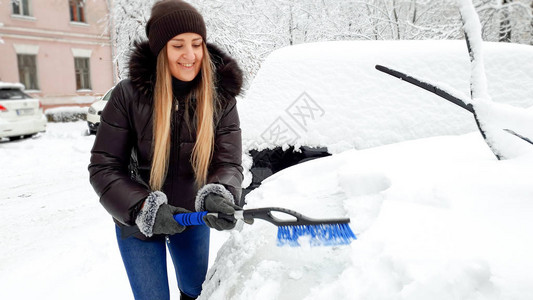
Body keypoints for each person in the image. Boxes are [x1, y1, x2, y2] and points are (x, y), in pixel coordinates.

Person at [88, 1, 244, 299]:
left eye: (197, 44)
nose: (190, 55)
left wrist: (220, 192)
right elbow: (104, 166)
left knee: (195, 290)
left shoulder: (220, 96)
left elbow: (228, 161)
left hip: (192, 215)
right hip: (137, 217)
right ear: (161, 50)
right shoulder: (128, 94)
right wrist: (141, 208)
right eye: (178, 45)